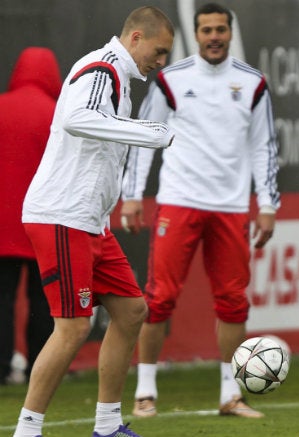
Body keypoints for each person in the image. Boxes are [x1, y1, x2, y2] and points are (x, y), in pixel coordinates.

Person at [13, 7, 174, 437]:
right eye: (159, 51)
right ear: (136, 38)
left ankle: (106, 427)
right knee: (73, 327)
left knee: (131, 310)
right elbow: (76, 119)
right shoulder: (103, 67)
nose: (161, 62)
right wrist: (153, 132)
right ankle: (27, 431)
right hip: (62, 215)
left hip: (89, 222)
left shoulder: (117, 78)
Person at [120, 2, 280, 419]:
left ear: (230, 33)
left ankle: (231, 393)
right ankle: (146, 389)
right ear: (196, 34)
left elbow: (264, 147)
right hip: (179, 200)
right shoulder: (172, 79)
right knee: (159, 298)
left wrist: (267, 204)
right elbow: (145, 134)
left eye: (220, 30)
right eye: (206, 30)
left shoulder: (253, 83)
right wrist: (133, 194)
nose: (213, 37)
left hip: (229, 207)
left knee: (232, 301)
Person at [0, 47, 59, 386]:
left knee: (1, 299)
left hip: (2, 223)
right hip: (43, 223)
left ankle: (2, 368)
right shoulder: (57, 114)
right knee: (43, 301)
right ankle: (41, 366)